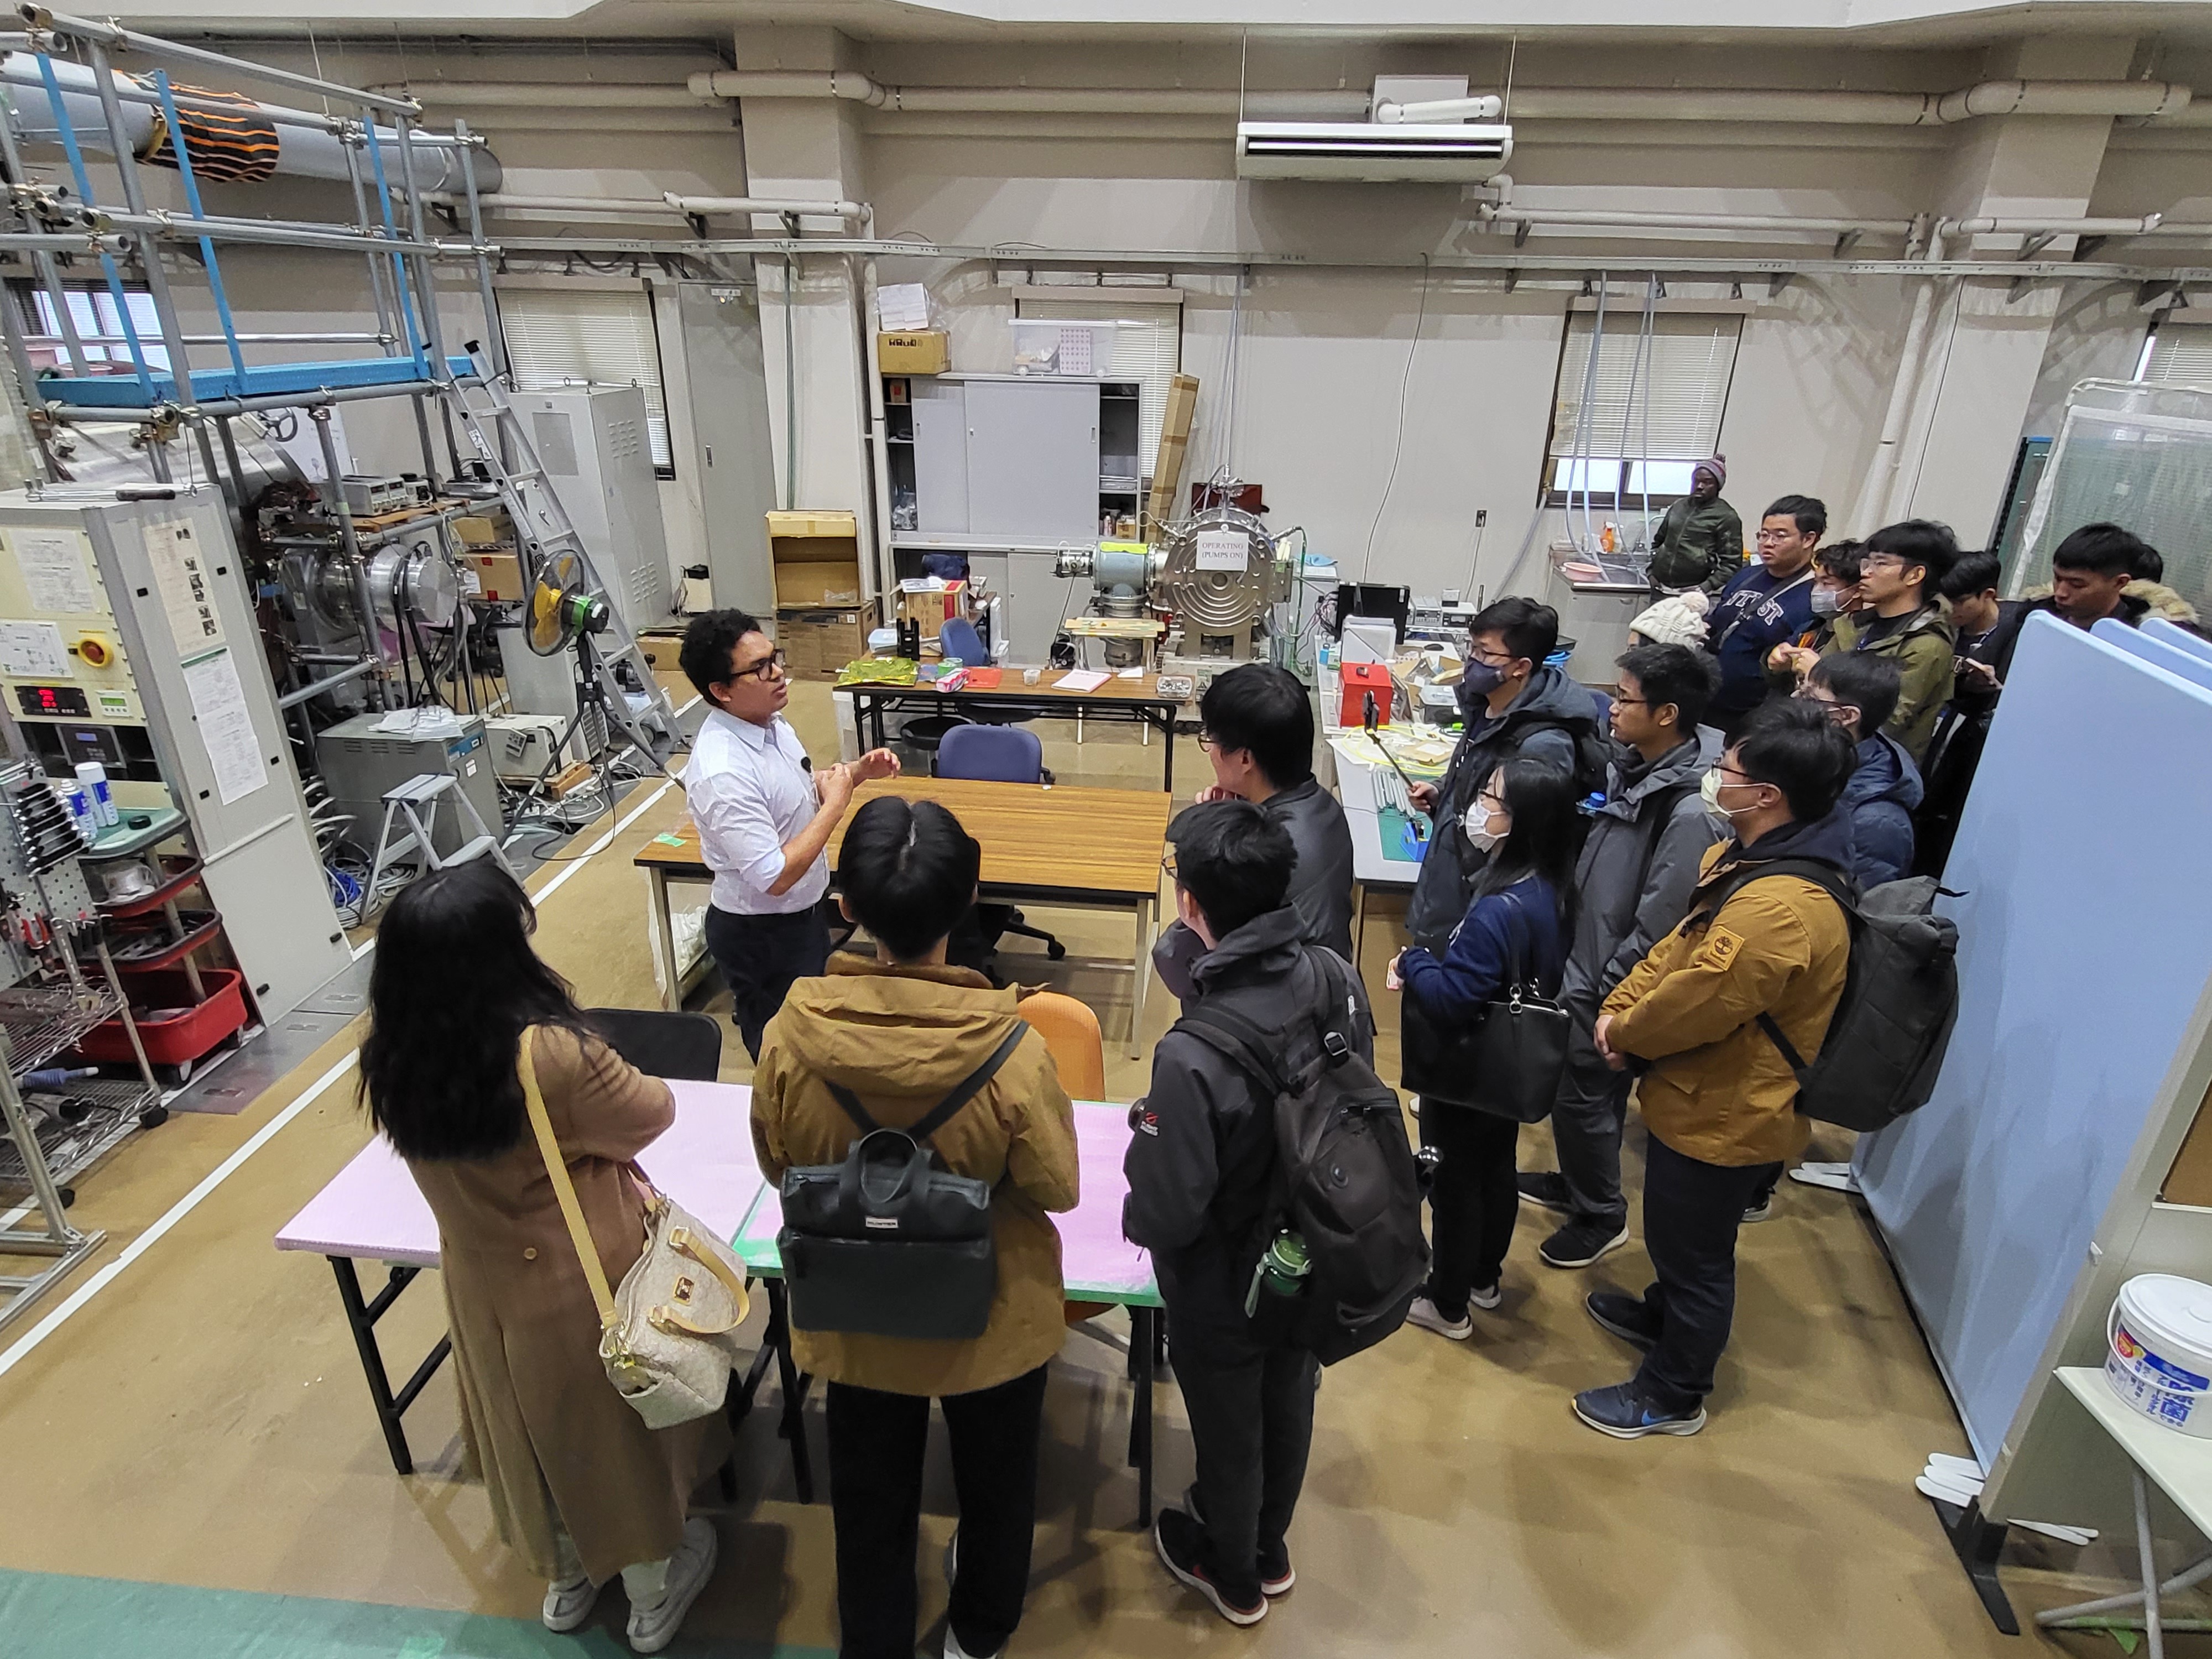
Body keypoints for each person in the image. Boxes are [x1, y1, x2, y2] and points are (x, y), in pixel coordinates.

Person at [361, 861, 718, 1655]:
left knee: (527, 1436)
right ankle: (652, 1594)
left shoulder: (392, 1056)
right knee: (615, 1444)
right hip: (578, 1277)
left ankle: (565, 1577)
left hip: (481, 1284)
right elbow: (650, 1113)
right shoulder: (547, 1055)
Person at [751, 796, 1079, 1659]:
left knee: (868, 1498)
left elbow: (779, 1166)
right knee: (998, 1489)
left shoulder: (789, 1035)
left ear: (845, 906)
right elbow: (1057, 1186)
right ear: (969, 896)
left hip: (855, 1313)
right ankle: (978, 1635)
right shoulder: (1014, 1047)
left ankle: (878, 1640)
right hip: (992, 1317)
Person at [1573, 700, 1855, 1438]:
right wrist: (1621, 1010)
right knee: (1677, 1238)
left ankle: (1673, 1391)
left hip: (1727, 1112)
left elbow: (1699, 1003)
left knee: (1695, 1254)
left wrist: (1626, 1033)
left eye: (1727, 768)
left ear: (1768, 795)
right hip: (1692, 1091)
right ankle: (1662, 1319)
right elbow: (1677, 950)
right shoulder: (1745, 859)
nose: (1713, 775)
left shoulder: (1781, 909)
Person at [1125, 798, 1375, 1627]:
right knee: (1290, 1395)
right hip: (1315, 1242)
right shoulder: (1336, 975)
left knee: (1228, 1427)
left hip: (1224, 1280)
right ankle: (1269, 1547)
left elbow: (1169, 1208)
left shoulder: (1191, 1055)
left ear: (1192, 905)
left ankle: (1229, 1572)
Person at [1519, 644, 1726, 1270]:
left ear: (1667, 714)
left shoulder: (1688, 811)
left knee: (1583, 1092)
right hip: (1584, 956)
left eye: (1625, 698)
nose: (1611, 707)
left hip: (1608, 979)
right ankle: (1580, 1179)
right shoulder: (1636, 769)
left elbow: (1662, 921)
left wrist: (1613, 989)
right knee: (1583, 1092)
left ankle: (1601, 1213)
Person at [1390, 758, 1578, 1335]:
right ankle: (1483, 1277)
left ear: (1521, 822)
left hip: (1466, 1068)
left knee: (1454, 1184)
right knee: (1495, 1169)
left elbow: (1451, 999)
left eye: (1492, 800)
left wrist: (1414, 959)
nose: (1480, 809)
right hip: (1507, 1067)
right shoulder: (1550, 887)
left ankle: (1446, 1302)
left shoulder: (1498, 910)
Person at [679, 610, 900, 1058]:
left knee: (813, 1034)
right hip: (762, 932)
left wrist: (853, 774)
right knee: (784, 1051)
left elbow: (790, 798)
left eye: (774, 658)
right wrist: (838, 804)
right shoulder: (722, 771)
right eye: (759, 668)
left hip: (802, 915)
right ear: (721, 691)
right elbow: (773, 875)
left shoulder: (770, 724)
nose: (777, 672)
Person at [1405, 597, 1601, 954]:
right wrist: (1442, 795)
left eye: (1484, 653)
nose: (1472, 661)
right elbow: (1477, 783)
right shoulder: (1487, 706)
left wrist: (1475, 928)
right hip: (1445, 887)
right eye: (1472, 648)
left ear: (1520, 667)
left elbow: (1524, 854)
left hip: (1477, 915)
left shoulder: (1545, 746)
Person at [1152, 662, 1355, 1004]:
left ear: (1245, 758)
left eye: (1212, 740)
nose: (1211, 752)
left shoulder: (1258, 853)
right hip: (1321, 994)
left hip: (1262, 1016)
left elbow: (1179, 961)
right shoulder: (1326, 809)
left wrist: (1210, 842)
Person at [1776, 520, 1956, 765]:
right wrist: (1781, 665)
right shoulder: (1854, 624)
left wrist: (1819, 674)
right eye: (1867, 562)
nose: (1866, 572)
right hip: (1816, 752)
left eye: (1880, 564)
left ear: (1915, 575)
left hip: (1868, 769)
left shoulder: (1927, 646)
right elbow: (1805, 692)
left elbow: (1887, 722)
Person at [1914, 550, 2024, 877]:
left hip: (1974, 744)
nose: (1950, 610)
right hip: (1935, 734)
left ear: (1988, 595)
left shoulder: (2016, 631)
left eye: (1960, 601)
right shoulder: (1941, 625)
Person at [1996, 523, 2201, 676]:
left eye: (2077, 585)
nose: (2061, 592)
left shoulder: (2143, 639)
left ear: (2120, 583)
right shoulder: (2030, 617)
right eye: (2058, 578)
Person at [1702, 495, 1824, 737]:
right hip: (1707, 697)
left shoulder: (1814, 595)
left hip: (1754, 715)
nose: (1768, 543)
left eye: (1780, 536)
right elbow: (1717, 624)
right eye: (1763, 534)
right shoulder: (1747, 575)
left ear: (1808, 539)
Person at [1800, 654, 1921, 887]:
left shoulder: (1880, 823)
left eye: (1810, 698)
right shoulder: (1814, 757)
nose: (1797, 701)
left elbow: (1859, 907)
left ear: (1847, 716)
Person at [1647, 455, 1745, 597]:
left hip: (1693, 594)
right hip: (1660, 589)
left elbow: (1731, 565)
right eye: (1697, 481)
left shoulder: (1726, 517)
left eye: (1707, 482)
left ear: (1718, 485)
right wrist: (1651, 572)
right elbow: (1658, 542)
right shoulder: (1678, 506)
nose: (1700, 486)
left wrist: (1706, 587)